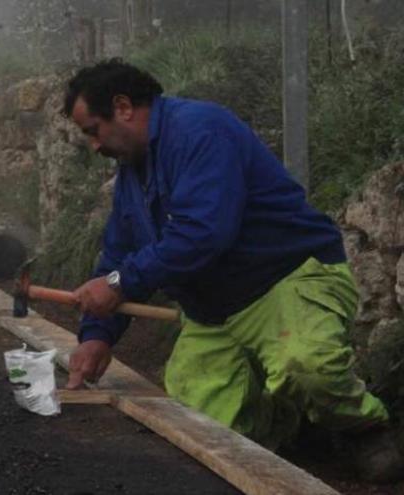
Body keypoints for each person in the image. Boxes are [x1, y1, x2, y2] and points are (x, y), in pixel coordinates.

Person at [62, 58, 403, 483]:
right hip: (214, 311)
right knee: (195, 431)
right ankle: (289, 423)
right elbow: (117, 255)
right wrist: (97, 336)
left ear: (124, 106)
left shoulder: (200, 131)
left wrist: (120, 283)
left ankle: (363, 429)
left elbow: (203, 234)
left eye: (93, 129)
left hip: (285, 280)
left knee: (306, 366)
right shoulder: (134, 172)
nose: (94, 145)